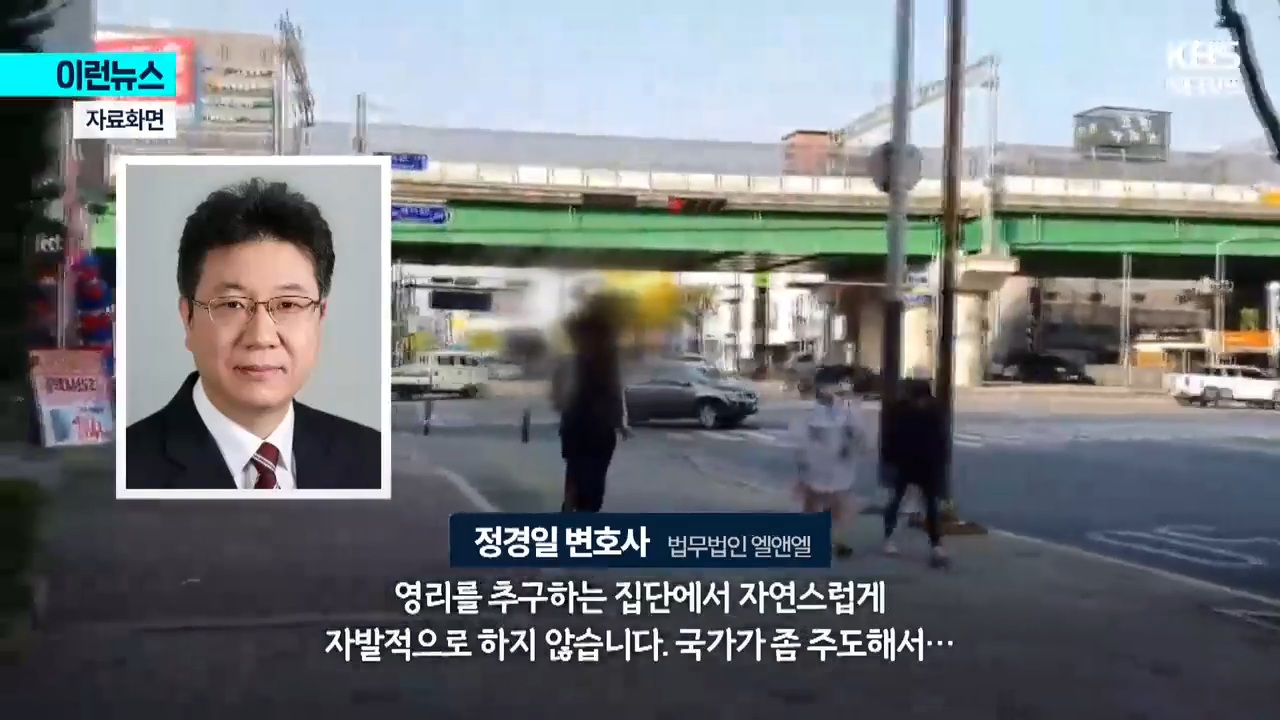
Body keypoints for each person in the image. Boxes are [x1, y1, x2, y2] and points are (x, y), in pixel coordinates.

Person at [126, 178, 380, 491]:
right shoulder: (123, 470)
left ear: (320, 317)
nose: (261, 337)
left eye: (288, 304)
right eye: (232, 304)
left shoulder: (373, 461)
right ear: (187, 318)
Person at [551, 304, 630, 512]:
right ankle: (575, 512)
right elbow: (559, 397)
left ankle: (576, 513)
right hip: (581, 429)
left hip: (594, 431)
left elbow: (615, 393)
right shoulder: (575, 364)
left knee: (586, 481)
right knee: (581, 479)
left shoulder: (603, 364)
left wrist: (620, 422)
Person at [790, 366, 869, 559]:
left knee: (837, 504)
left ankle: (837, 540)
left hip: (839, 465)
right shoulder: (810, 410)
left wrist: (851, 444)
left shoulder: (846, 408)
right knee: (813, 502)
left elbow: (858, 432)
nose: (841, 388)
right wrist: (804, 459)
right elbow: (800, 437)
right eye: (836, 384)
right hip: (816, 464)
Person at [880, 378, 949, 567]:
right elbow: (939, 438)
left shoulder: (919, 410)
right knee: (905, 500)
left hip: (917, 461)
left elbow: (892, 437)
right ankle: (931, 544)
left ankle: (933, 544)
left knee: (921, 502)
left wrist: (889, 458)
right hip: (916, 461)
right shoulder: (913, 410)